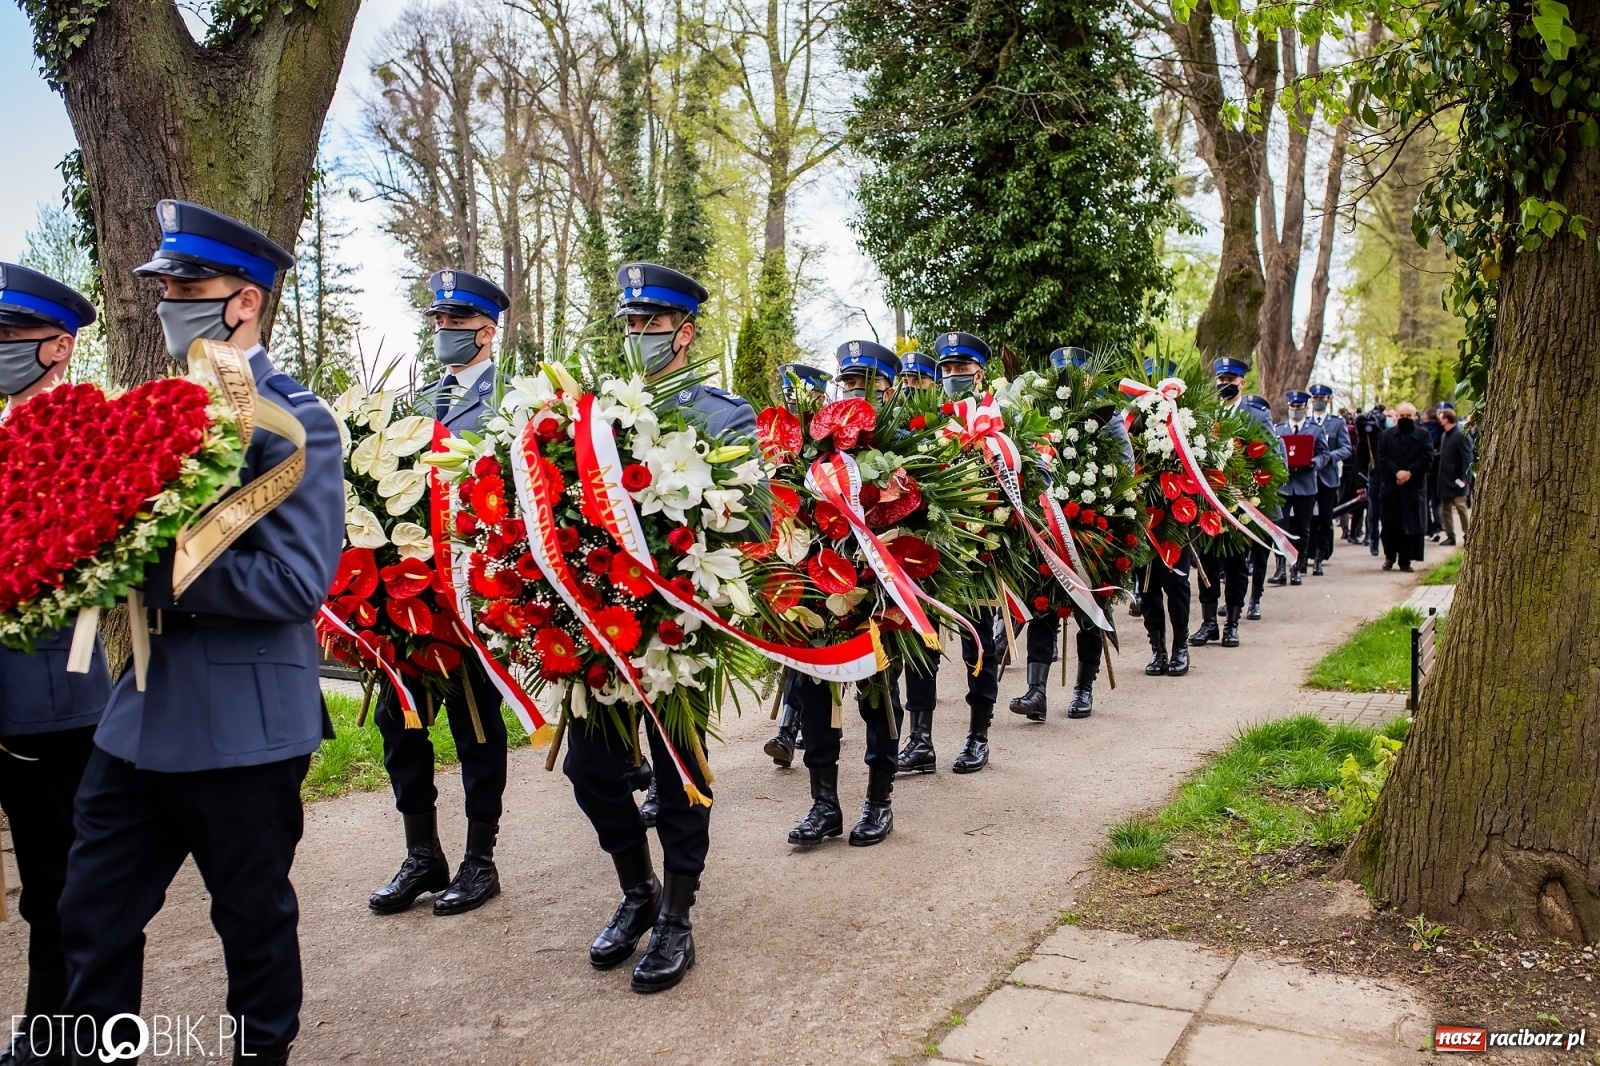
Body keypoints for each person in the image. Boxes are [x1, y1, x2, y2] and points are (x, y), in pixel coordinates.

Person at [56, 201, 344, 1065]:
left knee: (251, 925)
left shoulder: (293, 421)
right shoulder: (157, 413)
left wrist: (148, 566)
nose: (168, 299)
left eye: (188, 285)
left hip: (243, 728)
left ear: (243, 303)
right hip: (138, 718)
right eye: (164, 285)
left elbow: (297, 582)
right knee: (91, 917)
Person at [566, 262, 754, 995]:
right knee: (589, 769)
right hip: (604, 627)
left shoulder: (724, 414)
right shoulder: (596, 411)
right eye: (630, 325)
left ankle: (677, 914)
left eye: (652, 323)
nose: (639, 336)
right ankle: (637, 887)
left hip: (682, 627)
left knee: (680, 776)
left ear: (687, 331)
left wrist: (698, 512)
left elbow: (756, 512)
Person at [368, 270, 512, 918]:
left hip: (475, 594)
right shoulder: (418, 403)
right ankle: (423, 854)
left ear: (486, 330)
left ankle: (480, 859)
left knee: (474, 724)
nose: (443, 332)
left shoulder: (511, 403)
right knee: (399, 720)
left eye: (456, 322)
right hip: (411, 594)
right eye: (437, 321)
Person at [0, 264, 113, 1066]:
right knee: (36, 885)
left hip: (53, 699)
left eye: (9, 339)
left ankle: (69, 1035)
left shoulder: (89, 433)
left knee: (64, 887)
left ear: (57, 347)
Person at [787, 340, 905, 848]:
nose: (856, 390)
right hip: (821, 594)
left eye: (868, 382)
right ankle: (824, 805)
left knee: (877, 700)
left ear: (889, 386)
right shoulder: (814, 449)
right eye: (849, 381)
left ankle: (879, 800)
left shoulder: (902, 443)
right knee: (816, 696)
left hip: (879, 596)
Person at [897, 332, 1001, 774]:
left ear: (980, 373)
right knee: (922, 644)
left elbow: (1031, 478)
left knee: (977, 645)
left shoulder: (999, 419)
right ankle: (920, 740)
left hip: (979, 551)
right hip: (930, 553)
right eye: (947, 370)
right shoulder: (928, 419)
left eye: (962, 369)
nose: (953, 376)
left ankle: (978, 734)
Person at [1009, 346, 1124, 721]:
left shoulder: (1107, 412)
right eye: (1061, 376)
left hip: (1091, 521)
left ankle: (1083, 689)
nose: (1066, 383)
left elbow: (1124, 463)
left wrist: (1103, 500)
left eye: (1072, 376)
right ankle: (1036, 690)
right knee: (1041, 600)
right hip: (1045, 520)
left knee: (1090, 606)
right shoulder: (1038, 408)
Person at [762, 361, 832, 768]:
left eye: (804, 397)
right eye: (790, 397)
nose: (796, 405)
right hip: (788, 556)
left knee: (815, 646)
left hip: (827, 556)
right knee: (795, 643)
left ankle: (796, 727)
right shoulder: (776, 446)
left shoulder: (827, 445)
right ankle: (788, 729)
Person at [1190, 359, 1270, 649]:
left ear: (1242, 383)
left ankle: (1232, 623)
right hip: (1209, 502)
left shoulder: (1256, 416)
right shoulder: (1205, 414)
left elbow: (1269, 460)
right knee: (1207, 563)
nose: (1224, 384)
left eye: (1230, 379)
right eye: (1221, 379)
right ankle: (1209, 622)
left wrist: (1251, 494)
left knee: (1237, 565)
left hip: (1240, 504)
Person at [1271, 391, 1329, 587]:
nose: (1296, 409)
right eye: (1293, 406)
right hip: (1283, 485)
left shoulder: (1316, 430)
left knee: (1303, 528)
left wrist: (1313, 462)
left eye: (1299, 406)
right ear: (1288, 407)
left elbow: (1324, 454)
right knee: (1280, 527)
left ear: (1306, 407)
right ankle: (1280, 568)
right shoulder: (1278, 429)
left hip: (1305, 484)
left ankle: (1297, 568)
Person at [1375, 402, 1434, 571]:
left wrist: (1409, 473)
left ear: (1414, 417)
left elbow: (1427, 457)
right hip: (1392, 486)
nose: (1405, 419)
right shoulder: (1386, 435)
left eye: (1408, 416)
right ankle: (1389, 556)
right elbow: (1382, 457)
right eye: (1402, 416)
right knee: (1389, 525)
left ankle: (1406, 559)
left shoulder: (1423, 435)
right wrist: (1397, 473)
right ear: (1397, 418)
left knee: (1411, 525)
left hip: (1413, 487)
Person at [1305, 383, 1351, 575]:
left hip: (1328, 477)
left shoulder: (1337, 423)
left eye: (1321, 399)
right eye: (1314, 398)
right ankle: (1304, 555)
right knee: (1306, 519)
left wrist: (1328, 457)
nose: (1317, 401)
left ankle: (1321, 555)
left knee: (1325, 519)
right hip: (1308, 477)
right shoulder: (1306, 422)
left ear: (1328, 400)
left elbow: (1346, 448)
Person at [1241, 393, 1278, 619]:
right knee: (1240, 558)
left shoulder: (1276, 442)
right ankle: (1237, 598)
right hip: (1241, 502)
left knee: (1260, 555)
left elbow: (1278, 470)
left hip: (1263, 504)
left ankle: (1255, 599)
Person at [1437, 407, 1474, 545]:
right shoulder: (1444, 435)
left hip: (1459, 478)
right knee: (1445, 507)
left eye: (1441, 417)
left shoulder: (1461, 435)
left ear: (1446, 419)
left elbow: (1467, 457)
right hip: (1445, 478)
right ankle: (1450, 535)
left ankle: (1467, 534)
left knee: (1460, 506)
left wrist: (1466, 478)